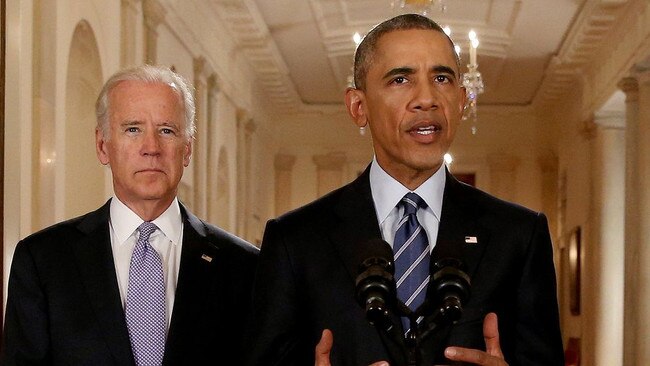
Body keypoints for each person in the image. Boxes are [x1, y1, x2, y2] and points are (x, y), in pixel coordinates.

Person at [244, 14, 563, 366]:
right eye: (400, 79)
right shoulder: (294, 240)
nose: (426, 99)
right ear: (358, 107)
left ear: (461, 100)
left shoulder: (519, 235)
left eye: (441, 78)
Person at [1, 65, 258, 365]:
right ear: (102, 146)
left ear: (187, 149)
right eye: (133, 129)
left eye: (167, 130)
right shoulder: (43, 262)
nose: (151, 148)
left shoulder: (245, 268)